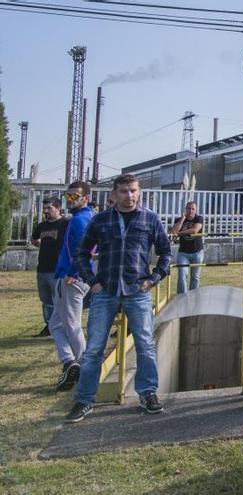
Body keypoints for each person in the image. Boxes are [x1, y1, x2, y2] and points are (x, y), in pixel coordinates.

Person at [65, 174, 172, 423]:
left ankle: (148, 393)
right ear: (113, 194)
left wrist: (153, 279)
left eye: (134, 190)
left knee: (145, 345)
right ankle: (84, 399)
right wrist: (92, 282)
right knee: (93, 349)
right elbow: (81, 254)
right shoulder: (100, 221)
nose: (129, 196)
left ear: (140, 191)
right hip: (106, 292)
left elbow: (166, 252)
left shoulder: (150, 219)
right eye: (124, 191)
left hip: (138, 292)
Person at [48, 181, 94, 391]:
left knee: (71, 324)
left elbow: (87, 248)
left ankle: (85, 366)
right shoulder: (80, 218)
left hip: (73, 280)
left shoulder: (81, 220)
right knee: (56, 323)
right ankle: (70, 362)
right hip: (71, 277)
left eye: (75, 196)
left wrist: (73, 273)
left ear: (86, 197)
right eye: (68, 196)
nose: (70, 200)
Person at [30, 197, 67, 337]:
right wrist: (43, 246)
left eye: (49, 208)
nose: (46, 211)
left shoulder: (65, 223)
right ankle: (49, 325)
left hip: (57, 269)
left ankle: (60, 326)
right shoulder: (42, 226)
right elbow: (34, 239)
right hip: (42, 268)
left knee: (58, 299)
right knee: (46, 300)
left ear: (58, 208)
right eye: (44, 208)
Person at [170, 201, 205, 294]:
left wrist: (180, 233)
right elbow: (173, 231)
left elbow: (195, 230)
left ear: (196, 210)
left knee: (195, 277)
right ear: (185, 209)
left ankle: (193, 296)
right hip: (183, 253)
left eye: (193, 209)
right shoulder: (179, 219)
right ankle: (182, 298)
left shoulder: (199, 218)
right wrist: (182, 219)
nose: (190, 211)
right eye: (188, 208)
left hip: (197, 252)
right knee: (182, 275)